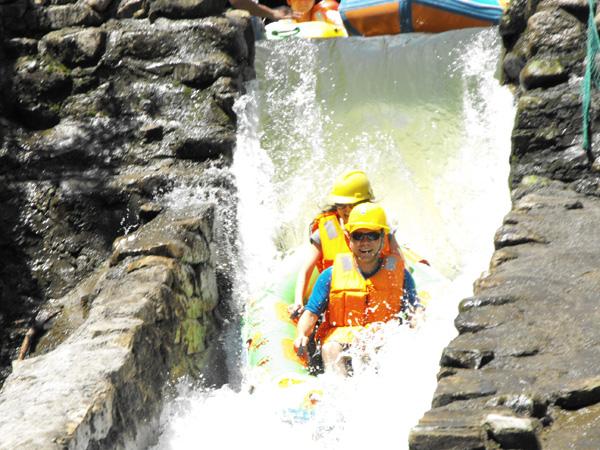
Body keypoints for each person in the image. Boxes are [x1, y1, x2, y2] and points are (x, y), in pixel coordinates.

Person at [293, 202, 423, 376]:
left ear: (383, 238)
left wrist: (419, 328)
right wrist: (301, 334)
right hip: (342, 343)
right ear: (348, 238)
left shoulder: (400, 276)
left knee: (386, 346)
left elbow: (415, 311)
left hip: (381, 340)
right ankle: (338, 393)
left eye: (372, 236)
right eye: (358, 236)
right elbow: (310, 314)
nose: (365, 243)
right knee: (330, 348)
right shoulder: (330, 275)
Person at [289, 170, 401, 317]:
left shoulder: (379, 227)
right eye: (342, 205)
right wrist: (298, 301)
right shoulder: (327, 229)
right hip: (338, 297)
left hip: (376, 295)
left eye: (352, 205)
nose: (347, 210)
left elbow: (395, 259)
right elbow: (306, 269)